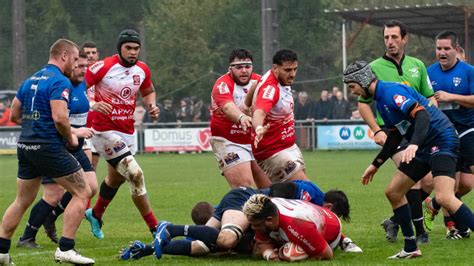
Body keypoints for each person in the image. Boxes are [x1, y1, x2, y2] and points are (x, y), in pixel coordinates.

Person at [343, 60, 474, 259]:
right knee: (394, 192)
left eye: (353, 86)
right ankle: (411, 247)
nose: (353, 92)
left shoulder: (390, 92)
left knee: (445, 197)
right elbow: (394, 135)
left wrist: (413, 144)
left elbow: (422, 116)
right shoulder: (380, 101)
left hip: (442, 139)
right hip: (423, 145)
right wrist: (375, 164)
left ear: (363, 80)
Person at [0, 39, 94, 265]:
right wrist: (71, 137)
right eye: (73, 59)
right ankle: (66, 248)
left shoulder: (29, 80)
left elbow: (14, 115)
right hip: (49, 146)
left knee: (22, 200)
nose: (74, 65)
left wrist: (35, 124)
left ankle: (2, 253)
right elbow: (60, 117)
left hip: (25, 145)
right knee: (84, 191)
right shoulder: (59, 80)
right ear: (63, 56)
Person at [358, 20, 434, 243]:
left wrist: (432, 113)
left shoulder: (417, 65)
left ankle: (395, 220)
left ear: (404, 38)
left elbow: (428, 96)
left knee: (429, 182)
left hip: (418, 132)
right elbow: (363, 103)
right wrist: (376, 130)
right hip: (394, 133)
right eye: (386, 38)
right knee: (414, 178)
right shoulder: (373, 68)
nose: (390, 42)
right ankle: (420, 233)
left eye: (394, 37)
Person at [83, 29, 161, 240]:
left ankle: (95, 214)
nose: (133, 52)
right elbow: (77, 89)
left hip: (127, 131)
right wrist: (93, 104)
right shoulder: (103, 67)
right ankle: (155, 228)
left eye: (136, 48)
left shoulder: (142, 69)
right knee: (135, 174)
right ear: (120, 48)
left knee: (115, 179)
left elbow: (148, 90)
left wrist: (152, 105)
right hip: (103, 131)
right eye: (128, 48)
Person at [424, 31, 474, 238]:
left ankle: (434, 202)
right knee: (449, 182)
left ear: (456, 49)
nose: (442, 52)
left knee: (467, 185)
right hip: (443, 133)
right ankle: (452, 227)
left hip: (467, 129)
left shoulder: (468, 71)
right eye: (439, 48)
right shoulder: (427, 73)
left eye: (446, 48)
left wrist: (450, 96)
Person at [251, 49, 309, 183]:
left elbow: (254, 89)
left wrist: (247, 104)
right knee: (307, 190)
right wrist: (259, 127)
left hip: (289, 146)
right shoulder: (271, 89)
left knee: (293, 197)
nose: (292, 74)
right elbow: (259, 112)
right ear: (275, 68)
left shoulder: (276, 78)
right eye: (288, 70)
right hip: (273, 153)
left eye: (295, 69)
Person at [210, 48, 263, 188]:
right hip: (229, 141)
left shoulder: (259, 82)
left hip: (254, 141)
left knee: (270, 189)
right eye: (239, 67)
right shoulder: (222, 84)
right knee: (245, 188)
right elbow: (228, 107)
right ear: (230, 69)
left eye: (247, 66)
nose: (244, 70)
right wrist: (241, 117)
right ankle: (223, 210)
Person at [242, 194, 343, 261]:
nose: (253, 227)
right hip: (308, 215)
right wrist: (269, 255)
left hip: (332, 226)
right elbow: (262, 243)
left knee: (289, 254)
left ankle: (343, 239)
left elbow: (327, 254)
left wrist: (284, 256)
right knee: (256, 250)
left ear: (269, 220)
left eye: (256, 225)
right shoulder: (265, 208)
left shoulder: (297, 224)